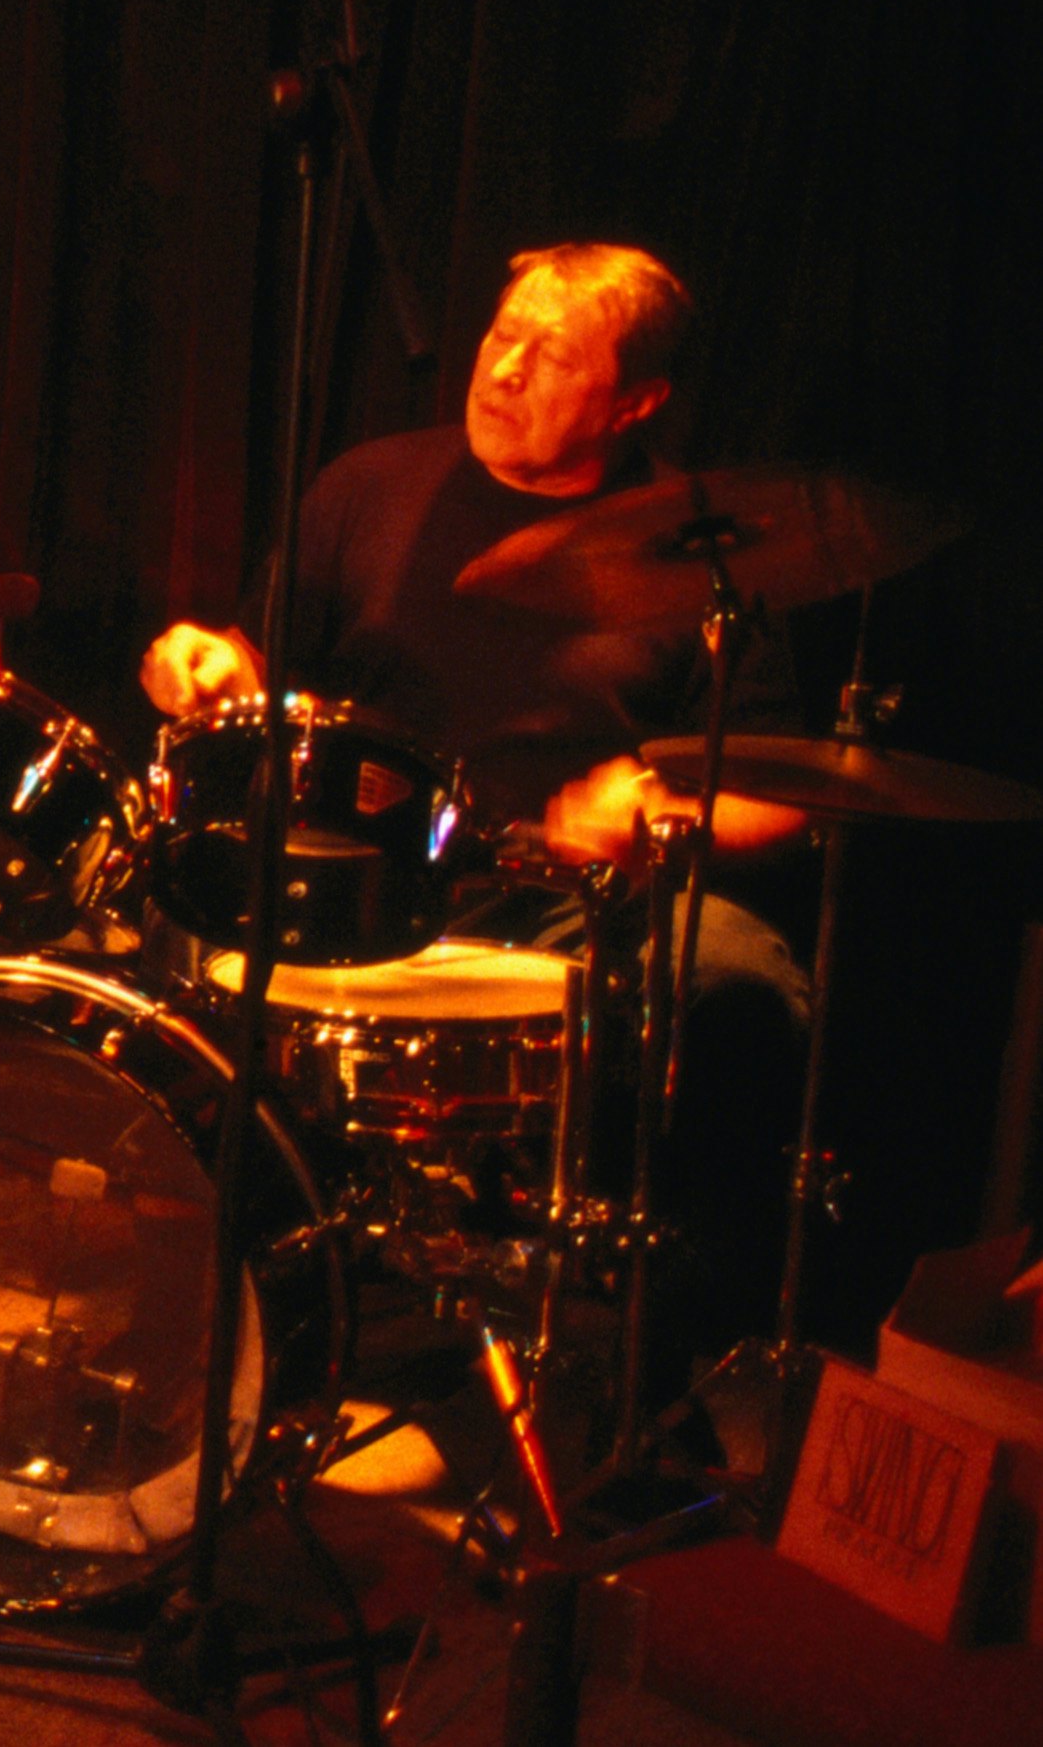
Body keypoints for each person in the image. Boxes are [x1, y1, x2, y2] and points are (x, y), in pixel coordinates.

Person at [139, 242, 808, 1347]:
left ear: (634, 400)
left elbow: (784, 791)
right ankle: (209, 1282)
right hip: (360, 862)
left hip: (567, 889)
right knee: (175, 892)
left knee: (742, 980)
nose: (502, 372)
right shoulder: (369, 483)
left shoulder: (708, 547)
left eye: (552, 359)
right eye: (502, 337)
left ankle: (649, 1349)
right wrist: (207, 664)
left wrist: (659, 810)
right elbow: (261, 666)